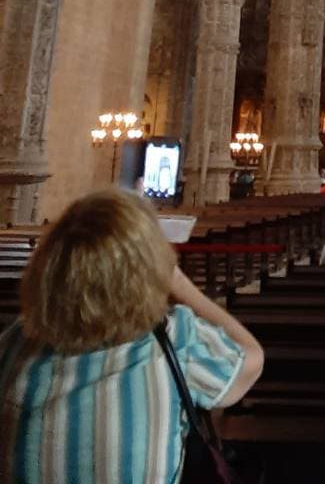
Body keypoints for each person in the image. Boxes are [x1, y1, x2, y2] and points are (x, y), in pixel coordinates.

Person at [0, 188, 264, 484]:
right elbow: (251, 359)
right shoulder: (176, 339)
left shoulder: (15, 342)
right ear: (149, 269)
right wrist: (179, 283)